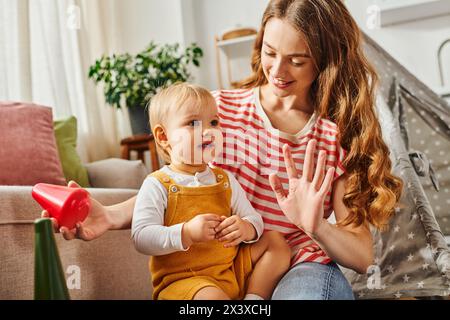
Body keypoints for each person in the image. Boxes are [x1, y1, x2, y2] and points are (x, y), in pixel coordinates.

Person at [43, 0, 403, 300]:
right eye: (270, 52)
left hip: (297, 263)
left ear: (327, 60)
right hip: (219, 266)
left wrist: (315, 227)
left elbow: (361, 255)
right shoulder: (218, 112)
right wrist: (108, 216)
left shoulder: (334, 136)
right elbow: (179, 186)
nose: (277, 70)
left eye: (297, 60)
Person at [131, 83, 290, 300]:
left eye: (214, 122)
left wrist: (246, 228)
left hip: (230, 270)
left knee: (276, 242)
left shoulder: (224, 180)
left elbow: (255, 219)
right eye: (193, 123)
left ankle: (253, 299)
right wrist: (186, 233)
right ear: (163, 137)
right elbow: (141, 237)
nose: (208, 131)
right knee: (211, 298)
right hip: (185, 282)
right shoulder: (157, 183)